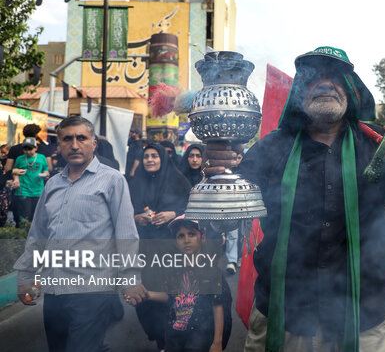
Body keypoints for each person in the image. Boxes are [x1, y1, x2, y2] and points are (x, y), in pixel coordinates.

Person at [206, 46, 385, 351]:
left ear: (351, 91)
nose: (325, 83)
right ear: (299, 93)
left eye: (335, 77)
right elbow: (224, 222)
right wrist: (217, 179)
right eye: (313, 78)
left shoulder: (378, 145)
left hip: (363, 313)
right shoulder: (271, 148)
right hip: (286, 315)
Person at [13, 116, 147, 352]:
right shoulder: (53, 184)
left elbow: (126, 232)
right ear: (59, 146)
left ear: (93, 144)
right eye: (67, 139)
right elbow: (38, 235)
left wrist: (130, 278)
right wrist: (25, 276)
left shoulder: (112, 180)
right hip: (54, 288)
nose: (74, 145)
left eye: (81, 138)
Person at [131, 215, 233, 352]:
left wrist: (217, 342)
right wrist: (147, 295)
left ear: (202, 237)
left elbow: (218, 306)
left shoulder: (210, 269)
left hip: (201, 336)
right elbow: (171, 296)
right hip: (175, 335)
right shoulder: (174, 268)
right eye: (180, 236)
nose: (186, 240)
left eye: (191, 234)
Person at [129, 142, 192, 350]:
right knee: (148, 295)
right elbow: (126, 210)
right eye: (146, 156)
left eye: (154, 156)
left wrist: (173, 214)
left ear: (163, 158)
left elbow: (192, 206)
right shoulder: (135, 182)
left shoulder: (178, 180)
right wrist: (137, 217)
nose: (150, 160)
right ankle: (159, 337)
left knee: (173, 292)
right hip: (146, 247)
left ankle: (173, 337)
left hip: (173, 246)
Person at [11, 137, 49, 226]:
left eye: (30, 149)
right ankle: (22, 237)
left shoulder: (42, 157)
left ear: (36, 148)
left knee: (36, 217)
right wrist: (16, 178)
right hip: (23, 191)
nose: (27, 152)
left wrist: (46, 174)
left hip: (38, 191)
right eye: (25, 149)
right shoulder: (20, 159)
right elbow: (15, 171)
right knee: (24, 217)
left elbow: (46, 169)